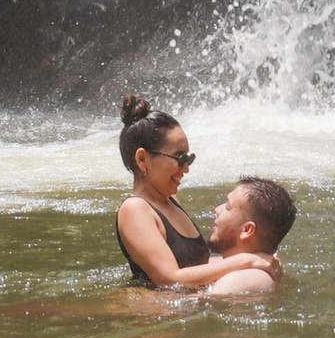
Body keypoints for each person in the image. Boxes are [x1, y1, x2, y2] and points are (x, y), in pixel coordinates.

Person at [113, 94, 277, 291]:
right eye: (179, 158)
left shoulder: (169, 200)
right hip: (158, 316)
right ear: (142, 159)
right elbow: (168, 278)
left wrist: (261, 258)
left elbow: (196, 266)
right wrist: (246, 261)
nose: (186, 168)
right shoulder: (135, 209)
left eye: (188, 158)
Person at [198, 176, 295, 298]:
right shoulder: (261, 265)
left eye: (228, 207)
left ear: (247, 230)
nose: (217, 209)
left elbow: (174, 308)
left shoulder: (240, 280)